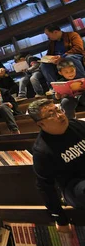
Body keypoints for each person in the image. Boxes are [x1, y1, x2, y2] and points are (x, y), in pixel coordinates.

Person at [27, 99, 85, 234]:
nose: (59, 115)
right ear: (41, 123)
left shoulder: (78, 126)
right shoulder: (42, 151)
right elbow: (44, 186)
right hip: (74, 187)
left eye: (58, 110)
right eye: (51, 114)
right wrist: (60, 218)